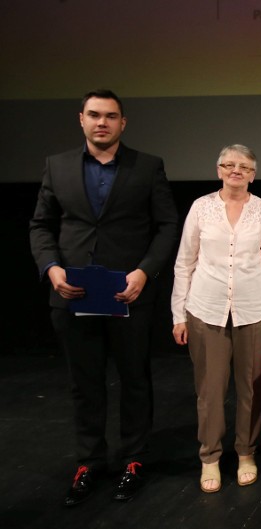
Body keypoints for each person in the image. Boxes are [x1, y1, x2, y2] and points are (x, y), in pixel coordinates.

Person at [29, 89, 179, 506]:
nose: (102, 122)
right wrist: (51, 268)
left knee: (135, 380)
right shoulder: (57, 166)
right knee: (84, 383)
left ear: (122, 123)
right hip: (72, 293)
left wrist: (144, 273)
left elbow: (167, 225)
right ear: (81, 119)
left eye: (111, 116)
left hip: (127, 293)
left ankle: (133, 459)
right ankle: (89, 461)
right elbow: (41, 226)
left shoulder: (148, 166)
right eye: (94, 115)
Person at [171, 145, 261, 493]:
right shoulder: (201, 207)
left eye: (244, 166)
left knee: (251, 386)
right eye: (229, 165)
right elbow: (184, 262)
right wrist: (179, 314)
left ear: (253, 173)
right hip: (205, 310)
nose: (237, 170)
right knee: (210, 389)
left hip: (255, 310)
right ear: (219, 169)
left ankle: (247, 452)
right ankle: (210, 457)